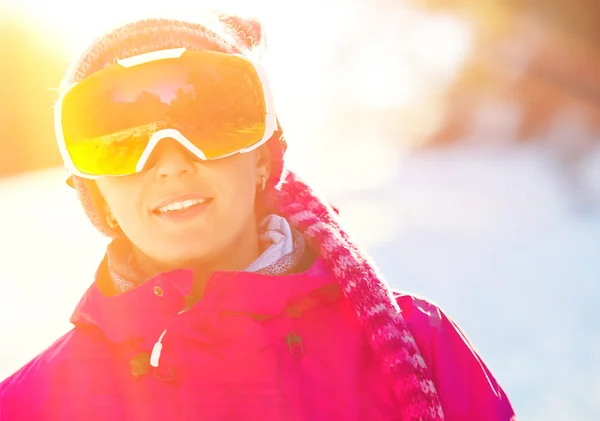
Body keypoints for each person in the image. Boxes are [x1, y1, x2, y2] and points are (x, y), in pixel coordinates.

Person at [0, 12, 517, 421]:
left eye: (209, 123)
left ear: (264, 159)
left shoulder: (416, 348)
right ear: (96, 193)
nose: (172, 162)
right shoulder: (29, 406)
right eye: (121, 142)